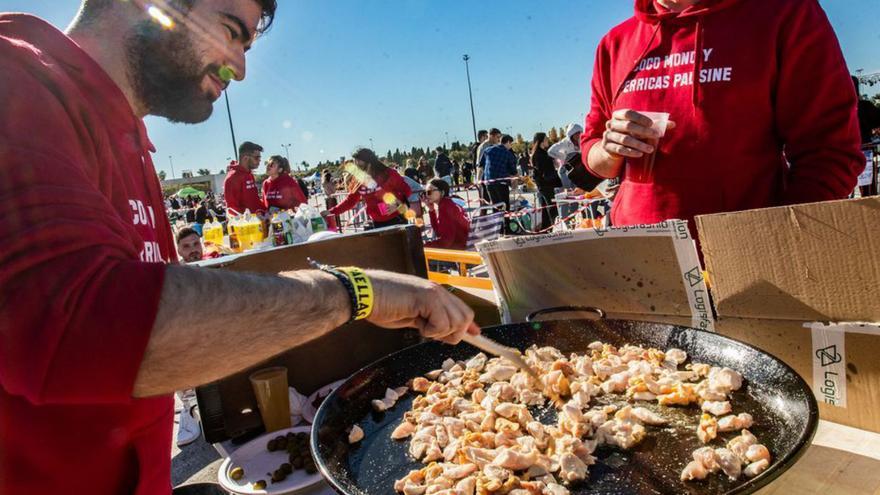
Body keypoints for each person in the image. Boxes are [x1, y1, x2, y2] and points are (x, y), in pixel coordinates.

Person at [0, 3, 480, 494]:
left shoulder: (128, 138)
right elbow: (80, 326)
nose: (241, 69)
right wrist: (357, 291)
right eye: (231, 31)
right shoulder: (16, 79)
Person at [580, 0, 863, 231]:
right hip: (640, 259)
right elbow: (593, 155)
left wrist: (782, 243)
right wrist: (609, 150)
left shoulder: (784, 14)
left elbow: (830, 152)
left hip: (746, 261)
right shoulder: (614, 44)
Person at [323, 148, 413, 229]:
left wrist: (398, 204)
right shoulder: (358, 180)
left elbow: (407, 190)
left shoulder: (388, 174)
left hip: (397, 219)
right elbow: (350, 201)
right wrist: (330, 212)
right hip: (377, 223)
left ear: (370, 163)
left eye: (360, 166)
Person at [423, 179, 469, 250]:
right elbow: (439, 232)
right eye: (426, 192)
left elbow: (445, 243)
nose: (427, 195)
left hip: (460, 250)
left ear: (442, 192)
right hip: (463, 245)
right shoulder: (448, 203)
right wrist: (431, 210)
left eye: (430, 191)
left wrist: (423, 247)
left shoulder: (445, 207)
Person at [531, 132, 562, 230]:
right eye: (546, 139)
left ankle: (546, 228)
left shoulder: (540, 153)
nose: (547, 141)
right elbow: (544, 171)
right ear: (541, 141)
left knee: (545, 207)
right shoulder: (540, 155)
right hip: (546, 184)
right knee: (551, 206)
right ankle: (554, 227)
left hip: (544, 184)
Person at [224, 141, 266, 216]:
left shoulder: (249, 174)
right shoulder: (232, 178)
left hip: (259, 221)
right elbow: (232, 209)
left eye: (260, 158)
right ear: (245, 158)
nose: (259, 161)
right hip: (247, 225)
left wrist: (266, 212)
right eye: (257, 158)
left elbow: (254, 201)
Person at [479, 134, 518, 211]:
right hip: (501, 183)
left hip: (488, 182)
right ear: (508, 142)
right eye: (511, 144)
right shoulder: (507, 153)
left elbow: (481, 165)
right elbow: (513, 170)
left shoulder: (488, 150)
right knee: (505, 205)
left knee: (496, 206)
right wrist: (517, 178)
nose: (511, 146)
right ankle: (506, 222)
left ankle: (497, 221)